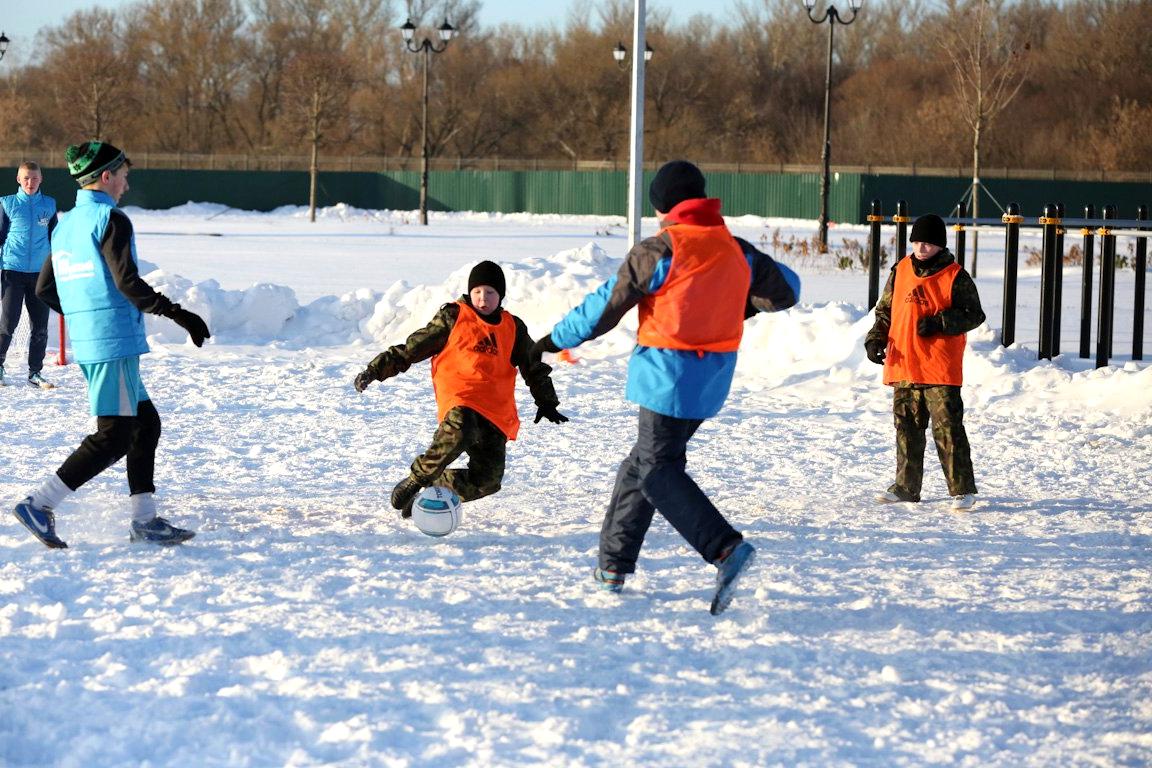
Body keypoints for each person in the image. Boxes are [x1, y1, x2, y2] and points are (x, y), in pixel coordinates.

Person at [529, 160, 800, 616]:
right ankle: (613, 566)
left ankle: (725, 549)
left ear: (663, 206)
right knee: (641, 465)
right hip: (711, 380)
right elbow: (788, 289)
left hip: (666, 379)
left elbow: (602, 309)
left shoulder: (660, 249)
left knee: (657, 472)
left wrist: (552, 340)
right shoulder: (737, 249)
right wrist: (737, 306)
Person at [11, 141, 211, 549]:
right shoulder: (111, 218)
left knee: (145, 424)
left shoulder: (66, 223)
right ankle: (40, 503)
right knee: (116, 435)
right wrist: (179, 314)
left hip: (94, 339)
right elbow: (127, 283)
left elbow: (45, 287)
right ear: (106, 177)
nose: (125, 183)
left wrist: (83, 314)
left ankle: (145, 520)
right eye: (123, 175)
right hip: (112, 341)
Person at [354, 260, 567, 518]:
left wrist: (546, 401)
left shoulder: (513, 327)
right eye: (477, 292)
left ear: (501, 296)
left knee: (488, 481)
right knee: (461, 428)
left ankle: (431, 489)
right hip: (461, 399)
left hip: (496, 411)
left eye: (490, 293)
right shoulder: (453, 317)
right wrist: (375, 370)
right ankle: (416, 479)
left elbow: (533, 365)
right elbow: (411, 349)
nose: (483, 298)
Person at [864, 213, 984, 511]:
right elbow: (885, 311)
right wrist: (875, 339)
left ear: (940, 246)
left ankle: (961, 490)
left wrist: (941, 322)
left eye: (927, 243)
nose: (920, 248)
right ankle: (906, 487)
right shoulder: (900, 270)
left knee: (948, 428)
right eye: (916, 242)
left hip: (938, 367)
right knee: (906, 427)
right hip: (904, 363)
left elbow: (974, 314)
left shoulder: (955, 275)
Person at [0, 161, 58, 388]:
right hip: (12, 271)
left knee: (40, 327)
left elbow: (56, 238)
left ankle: (35, 372)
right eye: (26, 178)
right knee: (8, 323)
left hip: (40, 275)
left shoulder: (49, 205)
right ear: (18, 179)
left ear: (40, 179)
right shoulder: (7, 204)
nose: (30, 183)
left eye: (34, 178)